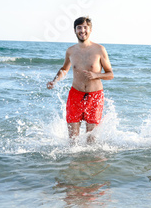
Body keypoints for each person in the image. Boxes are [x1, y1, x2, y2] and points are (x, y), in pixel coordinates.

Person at [47, 16, 114, 144]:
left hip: (95, 96)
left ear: (90, 30)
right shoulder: (70, 51)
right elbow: (64, 69)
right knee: (73, 140)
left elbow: (110, 74)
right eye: (79, 28)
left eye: (85, 27)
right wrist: (54, 81)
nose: (82, 30)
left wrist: (96, 75)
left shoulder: (99, 50)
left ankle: (89, 164)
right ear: (75, 30)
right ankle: (74, 164)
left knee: (91, 140)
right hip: (75, 95)